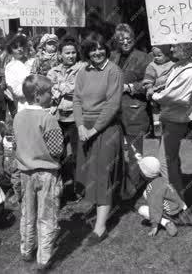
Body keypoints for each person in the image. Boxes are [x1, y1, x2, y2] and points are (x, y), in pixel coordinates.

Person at [73, 33, 123, 244]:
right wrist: (80, 126)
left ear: (106, 49)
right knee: (89, 173)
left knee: (102, 175)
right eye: (92, 49)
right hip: (85, 128)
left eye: (101, 48)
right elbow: (76, 99)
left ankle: (100, 227)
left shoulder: (114, 71)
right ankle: (99, 208)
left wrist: (94, 130)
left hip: (106, 129)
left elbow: (112, 105)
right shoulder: (83, 71)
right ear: (87, 52)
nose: (97, 52)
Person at [13, 74, 65, 271]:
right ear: (37, 95)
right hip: (47, 174)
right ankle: (44, 258)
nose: (52, 96)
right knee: (47, 215)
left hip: (25, 172)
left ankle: (26, 250)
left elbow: (15, 144)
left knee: (28, 213)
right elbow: (56, 150)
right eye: (49, 92)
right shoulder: (48, 118)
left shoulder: (18, 117)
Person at [151, 43, 192, 199]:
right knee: (170, 160)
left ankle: (174, 202)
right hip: (170, 117)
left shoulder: (190, 72)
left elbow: (175, 96)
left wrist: (154, 95)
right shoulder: (180, 65)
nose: (171, 50)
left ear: (185, 47)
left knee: (165, 162)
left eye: (175, 46)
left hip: (176, 120)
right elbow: (170, 88)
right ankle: (175, 198)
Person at [109, 23, 150, 201]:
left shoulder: (144, 57)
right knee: (115, 152)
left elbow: (150, 83)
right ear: (117, 41)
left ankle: (134, 190)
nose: (125, 42)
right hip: (113, 112)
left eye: (129, 39)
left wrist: (130, 87)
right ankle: (119, 186)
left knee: (134, 153)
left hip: (134, 111)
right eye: (121, 39)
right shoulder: (112, 56)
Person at [47, 37, 84, 200]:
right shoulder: (53, 71)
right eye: (67, 53)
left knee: (78, 155)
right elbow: (49, 90)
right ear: (60, 55)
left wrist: (61, 88)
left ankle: (79, 187)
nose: (71, 56)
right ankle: (61, 187)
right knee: (58, 154)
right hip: (57, 119)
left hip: (76, 119)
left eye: (73, 52)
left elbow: (80, 88)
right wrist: (64, 88)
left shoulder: (83, 69)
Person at [134, 155, 188, 238]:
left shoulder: (152, 189)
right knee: (146, 193)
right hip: (180, 209)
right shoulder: (162, 179)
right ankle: (171, 217)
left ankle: (166, 222)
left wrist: (154, 226)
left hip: (173, 215)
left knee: (141, 210)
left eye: (140, 170)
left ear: (144, 174)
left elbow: (155, 208)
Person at [142, 45, 175, 138]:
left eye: (159, 55)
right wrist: (149, 88)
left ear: (167, 55)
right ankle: (158, 131)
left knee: (168, 116)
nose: (156, 57)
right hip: (156, 93)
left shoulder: (172, 64)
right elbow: (148, 78)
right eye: (154, 55)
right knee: (156, 114)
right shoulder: (152, 66)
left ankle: (169, 131)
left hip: (169, 95)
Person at [4, 34, 35, 114]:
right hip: (23, 107)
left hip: (41, 106)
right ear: (11, 50)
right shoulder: (10, 67)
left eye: (22, 46)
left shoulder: (33, 61)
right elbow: (17, 91)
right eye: (16, 47)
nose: (20, 49)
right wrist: (35, 88)